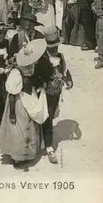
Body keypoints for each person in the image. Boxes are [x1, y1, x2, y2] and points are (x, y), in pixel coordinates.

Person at [0, 39, 48, 167]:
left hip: (28, 98)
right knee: (18, 129)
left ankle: (27, 154)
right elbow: (13, 95)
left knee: (29, 126)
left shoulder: (31, 67)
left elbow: (31, 80)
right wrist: (12, 114)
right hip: (19, 103)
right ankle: (17, 157)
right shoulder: (16, 73)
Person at [41, 27, 73, 164]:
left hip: (56, 92)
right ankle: (48, 146)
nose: (54, 50)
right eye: (51, 47)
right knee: (45, 117)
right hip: (44, 93)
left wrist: (69, 80)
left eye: (55, 47)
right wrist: (43, 83)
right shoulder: (42, 59)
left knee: (51, 114)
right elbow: (38, 75)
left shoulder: (60, 57)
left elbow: (65, 71)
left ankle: (45, 140)